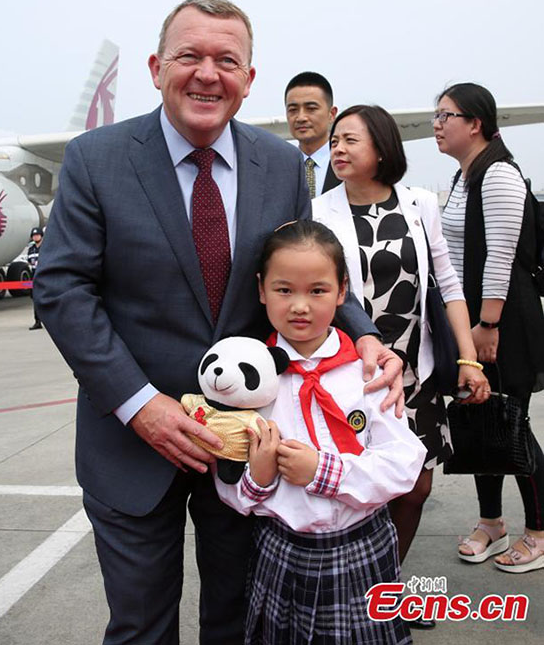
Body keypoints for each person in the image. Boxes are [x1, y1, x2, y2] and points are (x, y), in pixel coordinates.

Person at [33, 0, 404, 645]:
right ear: (156, 67)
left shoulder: (281, 163)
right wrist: (139, 405)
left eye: (227, 60)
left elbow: (305, 270)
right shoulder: (95, 158)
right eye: (189, 56)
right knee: (140, 627)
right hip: (131, 441)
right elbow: (63, 289)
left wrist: (366, 333)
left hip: (250, 444)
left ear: (249, 79)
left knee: (239, 623)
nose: (208, 73)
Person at [215, 219, 427, 645]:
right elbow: (230, 489)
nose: (300, 306)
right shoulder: (251, 384)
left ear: (342, 292)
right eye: (283, 289)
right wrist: (256, 477)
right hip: (281, 551)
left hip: (362, 546)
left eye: (317, 290)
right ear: (260, 290)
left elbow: (406, 463)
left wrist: (323, 471)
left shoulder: (365, 373)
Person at [312, 105, 489, 607]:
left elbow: (448, 284)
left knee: (415, 490)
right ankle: (349, 594)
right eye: (335, 141)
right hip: (357, 374)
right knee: (361, 491)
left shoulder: (418, 204)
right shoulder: (319, 211)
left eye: (350, 140)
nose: (338, 150)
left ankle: (381, 590)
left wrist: (469, 358)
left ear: (383, 149)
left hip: (419, 371)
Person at [435, 82, 544, 573]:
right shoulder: (464, 176)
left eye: (446, 116)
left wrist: (485, 325)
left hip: (503, 319)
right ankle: (492, 523)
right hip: (476, 321)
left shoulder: (497, 173)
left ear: (474, 124)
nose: (437, 124)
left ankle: (539, 531)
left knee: (514, 424)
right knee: (481, 418)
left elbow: (501, 255)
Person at [285, 71, 341, 197]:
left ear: (331, 114)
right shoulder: (278, 166)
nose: (301, 118)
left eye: (311, 109)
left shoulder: (346, 161)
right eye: (293, 110)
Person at [27, 226, 44, 330]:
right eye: (34, 236)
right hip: (34, 274)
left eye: (37, 235)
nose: (35, 237)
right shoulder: (31, 249)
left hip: (44, 274)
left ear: (41, 236)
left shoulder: (46, 247)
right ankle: (37, 321)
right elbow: (30, 261)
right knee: (35, 299)